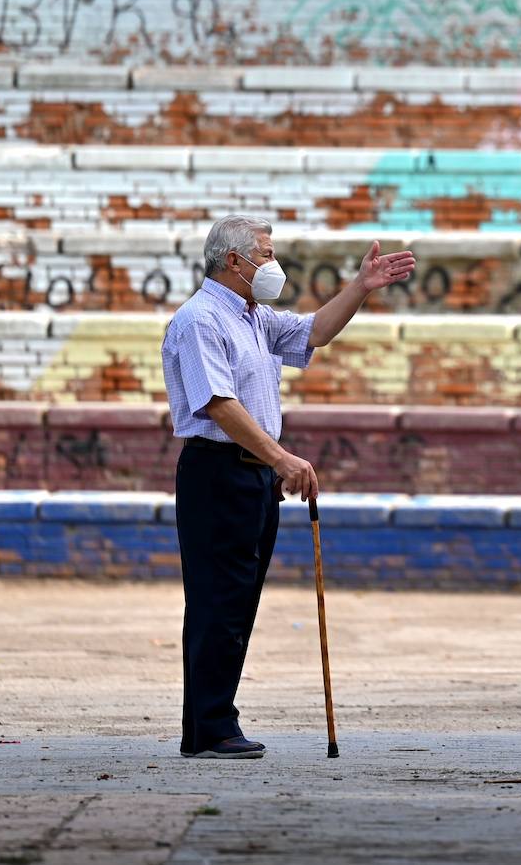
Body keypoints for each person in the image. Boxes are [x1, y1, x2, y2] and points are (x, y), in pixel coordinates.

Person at [162, 215, 414, 759]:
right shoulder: (201, 320)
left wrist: (360, 287)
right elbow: (217, 404)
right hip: (218, 471)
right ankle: (208, 728)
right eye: (266, 253)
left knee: (240, 600)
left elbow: (314, 332)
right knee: (218, 601)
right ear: (234, 260)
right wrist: (282, 458)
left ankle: (214, 720)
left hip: (253, 475)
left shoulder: (255, 318)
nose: (273, 264)